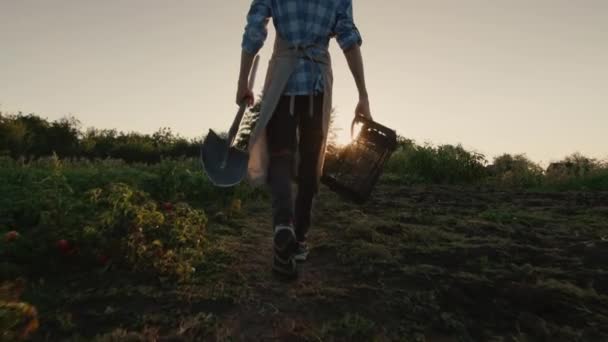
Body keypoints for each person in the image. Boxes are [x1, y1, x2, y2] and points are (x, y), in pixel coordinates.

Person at [236, 0, 371, 278]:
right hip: (316, 83)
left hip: (283, 81)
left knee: (281, 155)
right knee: (311, 162)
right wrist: (363, 95)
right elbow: (348, 38)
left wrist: (243, 82)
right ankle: (298, 238)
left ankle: (283, 226)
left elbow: (254, 30)